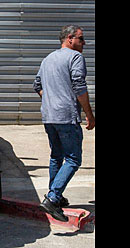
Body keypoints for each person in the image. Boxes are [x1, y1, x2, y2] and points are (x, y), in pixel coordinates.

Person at [33, 24, 95, 222]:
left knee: (56, 156)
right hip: (66, 116)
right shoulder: (75, 57)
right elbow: (79, 86)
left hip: (49, 116)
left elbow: (37, 85)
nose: (84, 43)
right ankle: (52, 197)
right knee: (73, 159)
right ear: (69, 39)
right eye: (81, 39)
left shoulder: (47, 59)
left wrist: (51, 100)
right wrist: (89, 114)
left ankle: (55, 197)